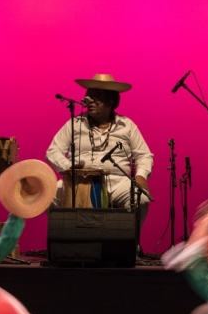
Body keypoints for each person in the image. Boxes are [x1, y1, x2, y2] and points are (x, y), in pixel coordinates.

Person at [46, 74, 154, 229]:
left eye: (96, 98)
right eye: (88, 97)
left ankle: (131, 243)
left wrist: (141, 176)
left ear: (109, 103)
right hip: (80, 182)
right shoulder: (75, 123)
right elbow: (53, 151)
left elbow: (144, 155)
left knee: (142, 199)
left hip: (117, 182)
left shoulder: (127, 125)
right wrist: (70, 167)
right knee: (47, 197)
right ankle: (66, 241)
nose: (89, 101)